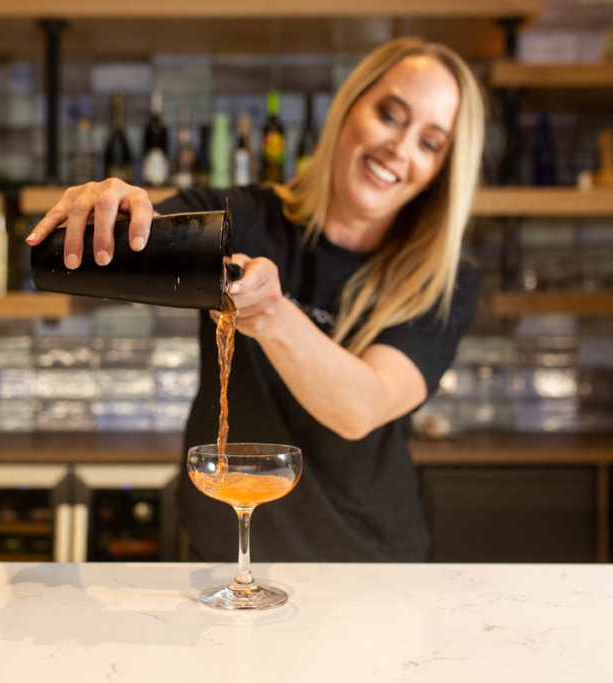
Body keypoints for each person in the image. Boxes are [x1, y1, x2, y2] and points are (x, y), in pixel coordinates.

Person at [26, 37, 484, 562]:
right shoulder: (239, 219)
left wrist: (272, 314)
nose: (399, 150)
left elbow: (362, 408)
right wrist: (104, 207)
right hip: (224, 556)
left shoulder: (441, 282)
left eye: (430, 143)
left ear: (443, 172)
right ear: (349, 106)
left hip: (365, 565)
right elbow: (109, 248)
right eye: (390, 115)